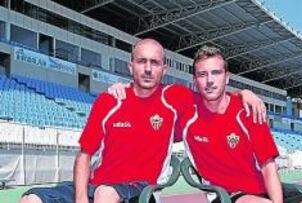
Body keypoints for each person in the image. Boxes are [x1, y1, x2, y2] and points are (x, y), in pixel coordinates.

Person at [20, 39, 266, 203]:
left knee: (106, 194)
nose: (148, 68)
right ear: (131, 66)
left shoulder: (174, 98)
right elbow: (84, 156)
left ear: (163, 70)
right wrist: (82, 198)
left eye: (155, 62)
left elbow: (213, 94)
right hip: (94, 186)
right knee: (30, 199)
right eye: (142, 61)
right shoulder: (109, 100)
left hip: (135, 188)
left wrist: (244, 93)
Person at [180, 45, 302, 203]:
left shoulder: (249, 110)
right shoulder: (186, 114)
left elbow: (268, 167)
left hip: (264, 187)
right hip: (229, 195)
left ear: (226, 77)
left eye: (216, 73)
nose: (210, 80)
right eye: (202, 74)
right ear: (194, 81)